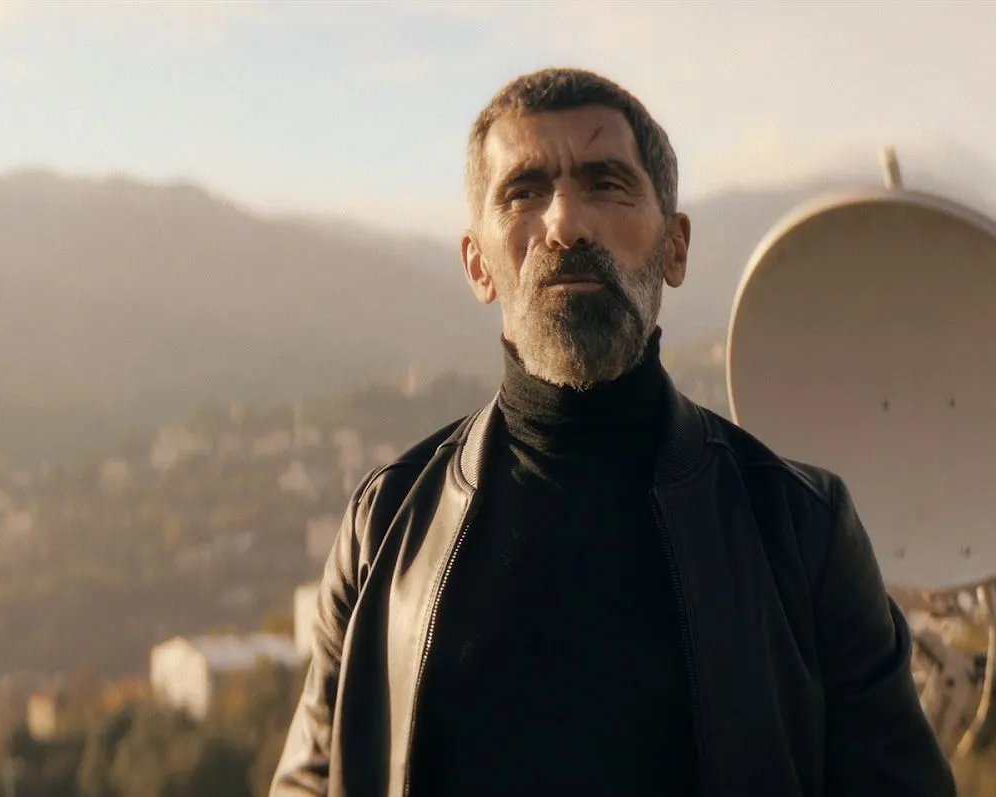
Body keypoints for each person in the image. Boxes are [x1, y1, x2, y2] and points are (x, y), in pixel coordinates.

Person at [270, 67, 956, 797]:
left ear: (675, 247)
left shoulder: (802, 531)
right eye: (524, 192)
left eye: (606, 184)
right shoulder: (382, 529)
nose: (566, 223)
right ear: (477, 263)